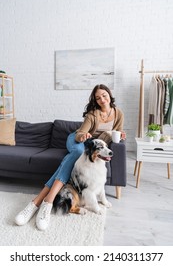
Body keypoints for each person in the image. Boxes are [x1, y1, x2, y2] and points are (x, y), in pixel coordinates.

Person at [14, 84, 126, 230]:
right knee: (77, 153)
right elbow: (79, 134)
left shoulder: (118, 114)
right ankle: (45, 203)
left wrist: (121, 135)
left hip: (95, 145)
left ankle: (38, 202)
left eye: (104, 95)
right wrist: (84, 136)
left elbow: (118, 132)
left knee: (67, 161)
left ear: (109, 95)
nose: (102, 99)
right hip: (77, 140)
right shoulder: (92, 114)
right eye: (98, 98)